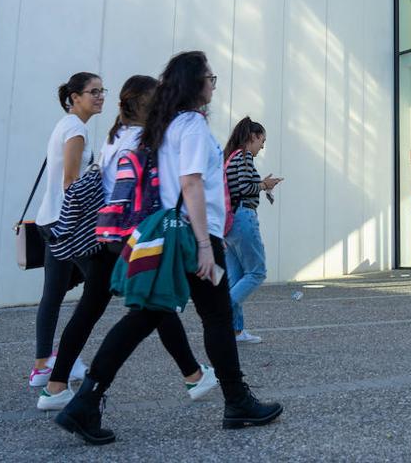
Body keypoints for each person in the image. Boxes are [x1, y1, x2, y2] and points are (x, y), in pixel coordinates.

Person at [56, 52, 282, 444]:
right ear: (195, 84)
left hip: (170, 231)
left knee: (145, 316)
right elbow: (191, 183)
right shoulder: (191, 124)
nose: (214, 84)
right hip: (193, 233)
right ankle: (237, 402)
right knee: (214, 317)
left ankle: (86, 402)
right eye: (210, 78)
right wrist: (205, 247)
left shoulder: (164, 125)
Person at [36, 75, 219, 411]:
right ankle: (193, 375)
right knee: (153, 305)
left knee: (96, 309)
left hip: (105, 235)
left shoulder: (115, 138)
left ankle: (55, 385)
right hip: (131, 238)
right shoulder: (142, 142)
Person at [30, 72, 103, 388]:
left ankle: (42, 366)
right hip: (66, 223)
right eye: (93, 92)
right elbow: (71, 183)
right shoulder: (75, 129)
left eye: (102, 91)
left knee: (54, 294)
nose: (100, 96)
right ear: (75, 97)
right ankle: (61, 363)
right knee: (100, 284)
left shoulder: (68, 126)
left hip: (51, 220)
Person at [223, 117, 281, 344]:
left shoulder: (231, 157)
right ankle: (221, 311)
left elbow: (239, 185)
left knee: (235, 277)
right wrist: (264, 185)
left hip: (229, 222)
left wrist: (261, 183)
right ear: (253, 137)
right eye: (262, 140)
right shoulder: (244, 156)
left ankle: (236, 331)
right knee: (257, 273)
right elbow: (245, 187)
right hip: (243, 217)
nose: (262, 146)